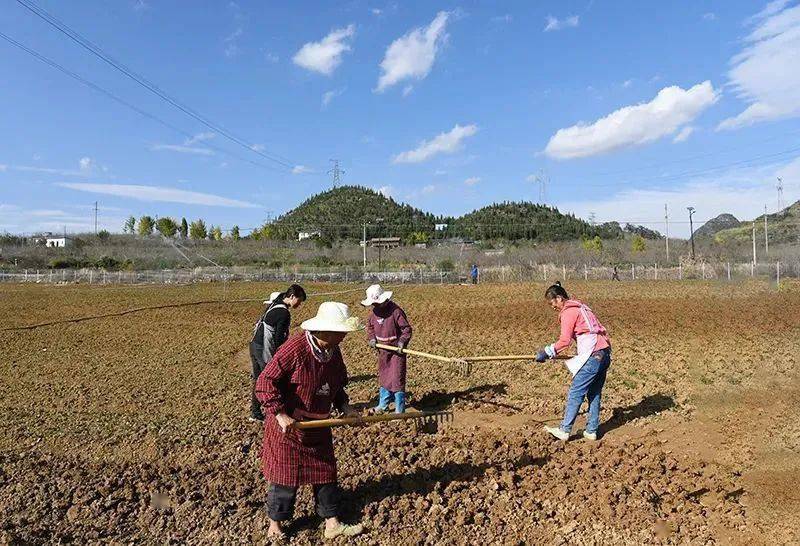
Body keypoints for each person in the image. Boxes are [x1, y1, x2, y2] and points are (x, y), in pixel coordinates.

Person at [255, 301, 365, 540]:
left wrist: (344, 407)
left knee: (326, 474)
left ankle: (332, 523)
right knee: (285, 479)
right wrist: (279, 413)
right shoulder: (295, 348)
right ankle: (275, 526)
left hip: (319, 427)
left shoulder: (333, 352)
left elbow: (335, 385)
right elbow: (265, 382)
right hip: (290, 428)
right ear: (325, 330)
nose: (345, 335)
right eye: (341, 331)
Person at [535, 282, 612, 441]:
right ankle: (591, 430)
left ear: (559, 298)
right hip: (604, 353)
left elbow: (564, 341)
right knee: (594, 392)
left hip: (593, 355)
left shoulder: (568, 313)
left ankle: (564, 430)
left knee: (576, 391)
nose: (552, 307)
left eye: (552, 303)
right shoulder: (582, 307)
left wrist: (546, 352)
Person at [249, 284, 307, 422]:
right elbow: (278, 338)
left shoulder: (275, 304)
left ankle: (255, 413)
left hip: (254, 345)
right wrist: (281, 357)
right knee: (272, 380)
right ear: (292, 296)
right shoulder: (283, 313)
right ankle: (277, 413)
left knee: (259, 379)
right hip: (263, 349)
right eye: (299, 300)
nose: (299, 304)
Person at [362, 284, 412, 414]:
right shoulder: (374, 313)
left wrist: (402, 342)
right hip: (383, 351)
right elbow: (370, 327)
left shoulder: (396, 311)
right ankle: (383, 405)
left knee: (397, 378)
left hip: (396, 352)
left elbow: (406, 329)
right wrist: (372, 339)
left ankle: (399, 408)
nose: (376, 306)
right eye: (374, 304)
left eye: (377, 303)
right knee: (384, 377)